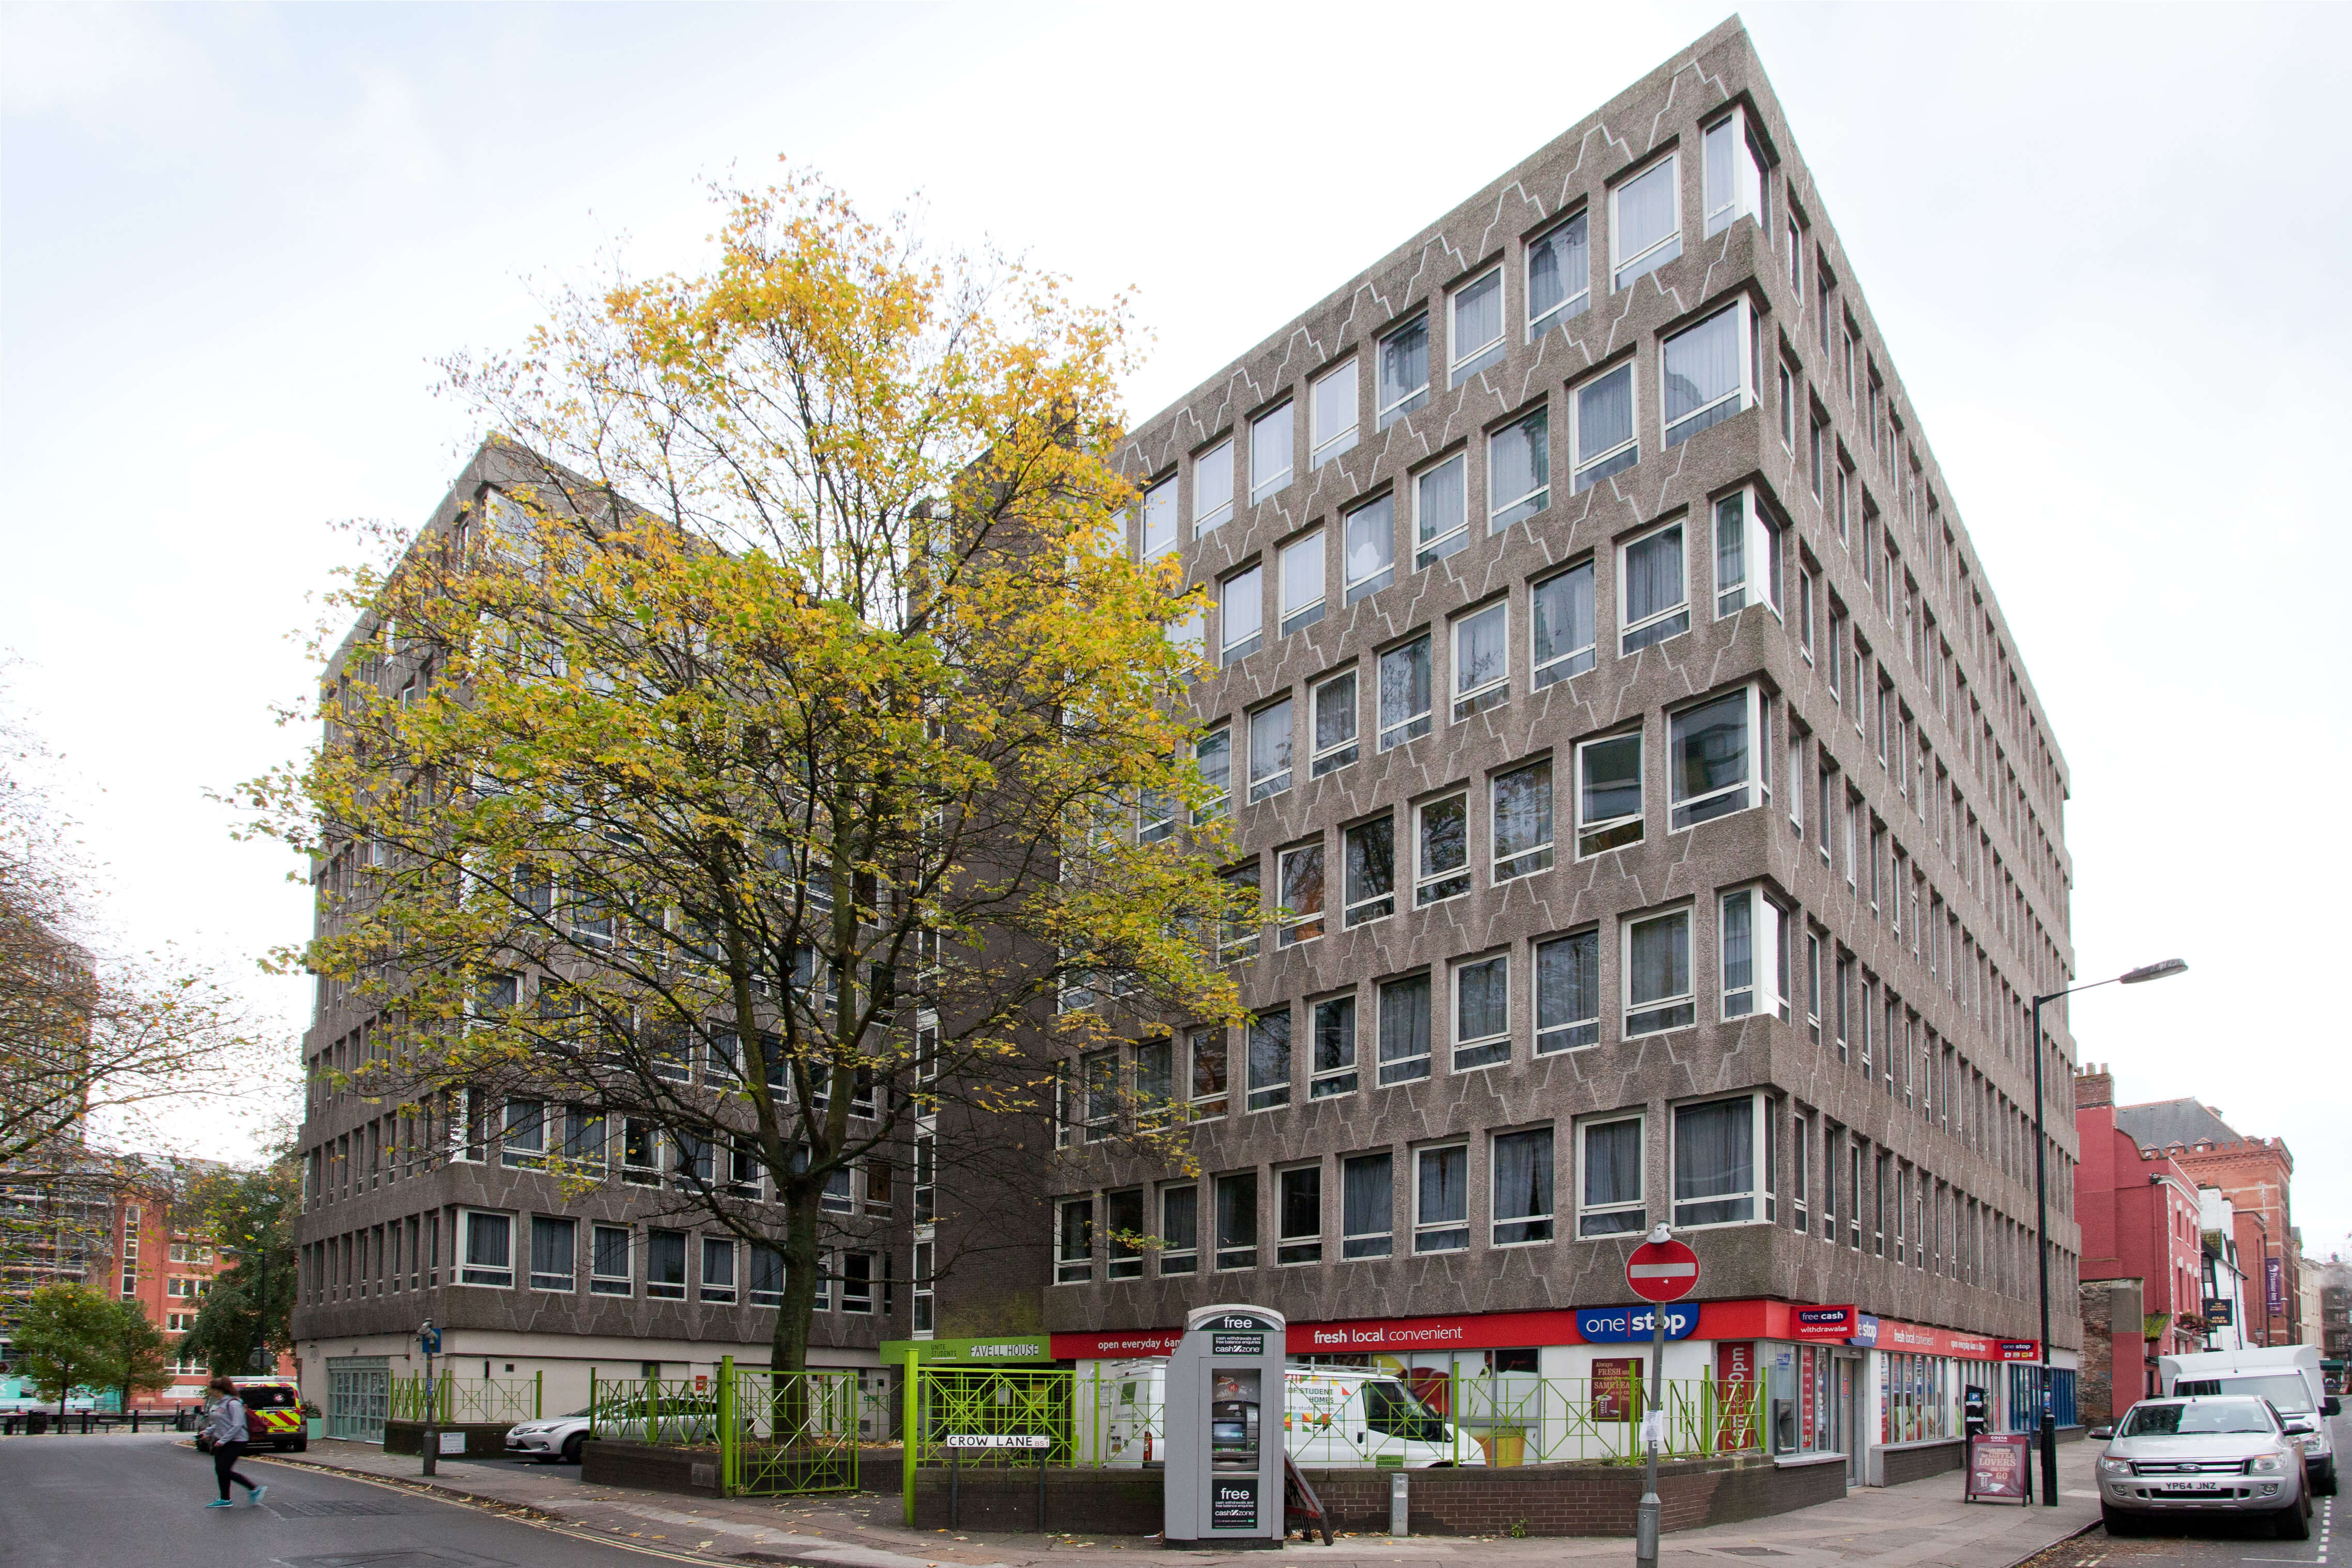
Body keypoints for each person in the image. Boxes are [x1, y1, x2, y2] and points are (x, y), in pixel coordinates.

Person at [201, 1376, 268, 1509]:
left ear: (218, 1390)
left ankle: (254, 1488)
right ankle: (225, 1499)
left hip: (236, 1441)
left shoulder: (234, 1403)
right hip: (223, 1441)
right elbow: (219, 1424)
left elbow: (237, 1425)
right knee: (220, 1470)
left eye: (211, 1389)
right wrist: (206, 1432)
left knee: (223, 1469)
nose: (210, 1392)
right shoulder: (221, 1404)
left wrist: (223, 1441)